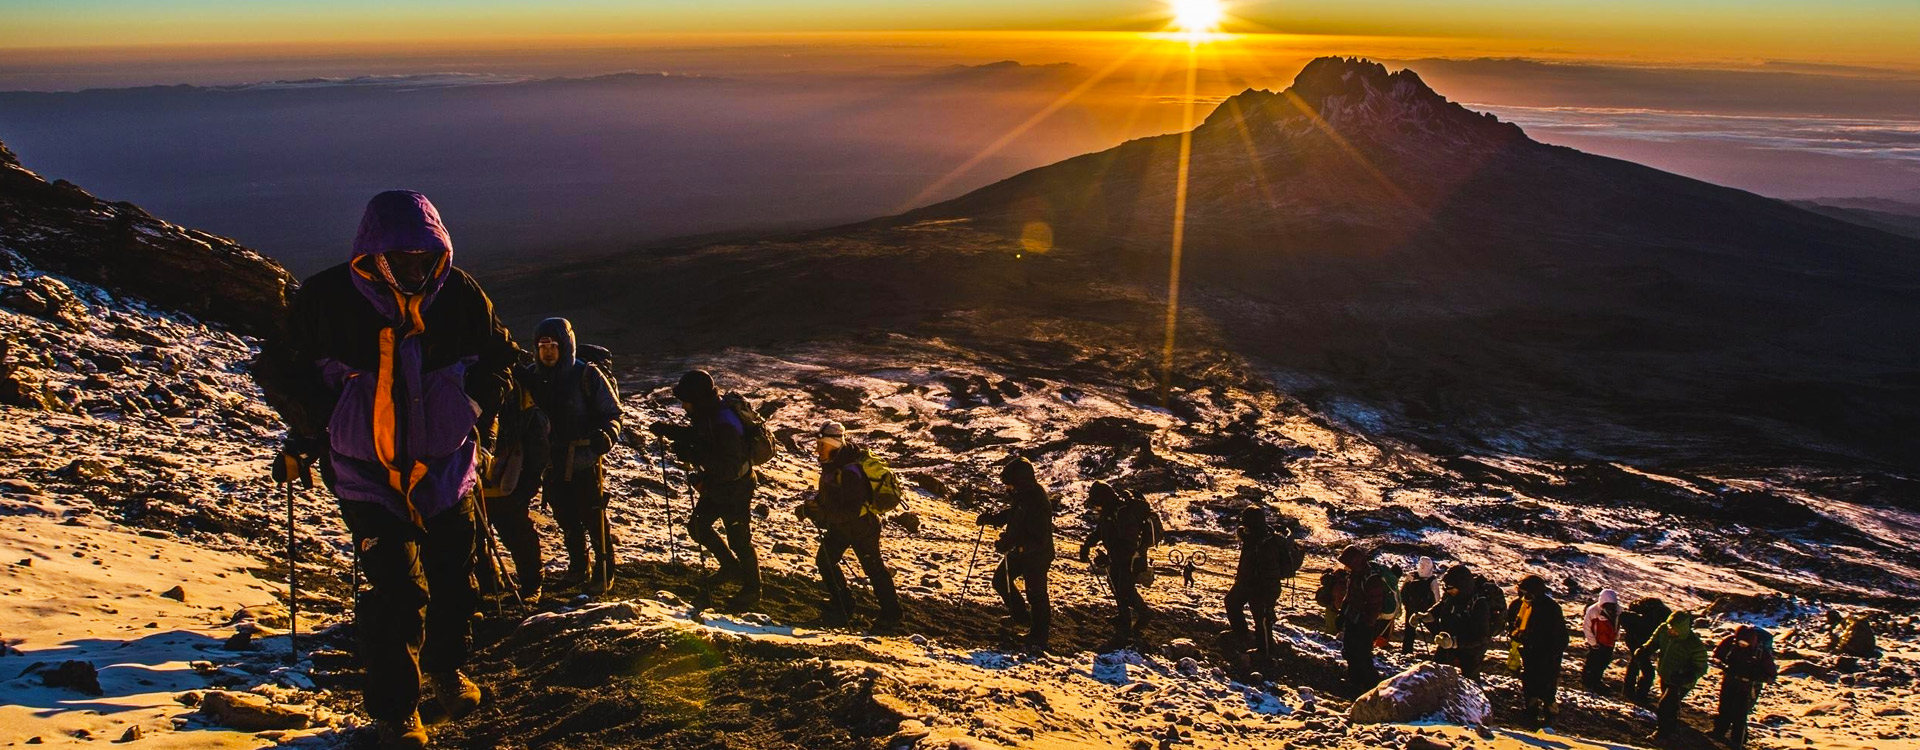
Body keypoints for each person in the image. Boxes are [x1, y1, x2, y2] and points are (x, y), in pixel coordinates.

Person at [256, 190, 517, 750]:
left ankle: (446, 668)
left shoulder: (460, 294)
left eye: (426, 260)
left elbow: (499, 357)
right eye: (404, 260)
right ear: (375, 254)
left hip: (447, 467)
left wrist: (475, 406)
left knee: (453, 576)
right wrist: (316, 429)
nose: (416, 272)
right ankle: (398, 712)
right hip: (365, 474)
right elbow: (281, 369)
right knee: (397, 588)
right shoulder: (327, 299)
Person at [522, 317, 621, 594]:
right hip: (551, 461)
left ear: (565, 346)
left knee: (593, 518)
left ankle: (604, 572)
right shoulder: (532, 376)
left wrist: (607, 435)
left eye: (553, 346)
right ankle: (578, 567)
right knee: (566, 518)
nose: (548, 352)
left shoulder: (586, 375)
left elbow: (612, 413)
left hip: (584, 458)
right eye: (542, 346)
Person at [653, 369, 761, 608]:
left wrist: (693, 455)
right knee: (698, 527)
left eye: (686, 401)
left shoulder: (723, 422)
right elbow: (700, 435)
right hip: (720, 485)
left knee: (739, 540)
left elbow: (729, 467)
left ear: (698, 399)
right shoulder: (710, 413)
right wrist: (670, 431)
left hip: (736, 488)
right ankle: (730, 568)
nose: (684, 406)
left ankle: (753, 590)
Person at [802, 421, 902, 629]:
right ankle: (844, 604)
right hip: (845, 527)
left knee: (872, 569)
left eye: (822, 445)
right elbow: (833, 496)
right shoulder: (835, 463)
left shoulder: (850, 471)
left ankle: (889, 614)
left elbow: (852, 510)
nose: (817, 449)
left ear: (834, 445)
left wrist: (823, 515)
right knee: (827, 561)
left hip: (861, 528)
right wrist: (812, 507)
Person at [476, 364, 548, 602]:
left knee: (517, 536)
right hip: (480, 480)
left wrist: (527, 486)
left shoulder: (522, 402)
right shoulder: (515, 395)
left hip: (506, 480)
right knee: (476, 538)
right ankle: (490, 584)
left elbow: (537, 449)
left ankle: (530, 584)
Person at [979, 457, 1055, 654]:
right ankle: (1021, 617)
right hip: (1019, 551)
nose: (1008, 488)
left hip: (1036, 555)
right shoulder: (1024, 495)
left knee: (1036, 595)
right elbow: (1014, 514)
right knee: (1000, 580)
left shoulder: (1037, 500)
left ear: (1020, 481)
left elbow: (1040, 538)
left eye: (1010, 483)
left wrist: (1018, 546)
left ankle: (1039, 637)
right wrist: (994, 519)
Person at [1079, 482, 1156, 651]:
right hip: (1118, 558)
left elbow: (1129, 544)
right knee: (1115, 584)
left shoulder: (1123, 513)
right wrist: (1087, 545)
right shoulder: (1109, 512)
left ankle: (1141, 616)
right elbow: (1100, 532)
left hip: (1132, 559)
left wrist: (1109, 558)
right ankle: (1124, 617)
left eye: (1097, 503)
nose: (1096, 507)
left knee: (1124, 589)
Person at [1223, 506, 1289, 661]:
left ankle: (1265, 651)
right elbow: (1243, 534)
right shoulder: (1252, 537)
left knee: (1262, 619)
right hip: (1246, 583)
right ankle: (1241, 634)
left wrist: (1268, 595)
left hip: (1262, 588)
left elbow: (1271, 573)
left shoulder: (1267, 544)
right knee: (1231, 602)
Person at [1510, 574, 1570, 728]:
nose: (1523, 596)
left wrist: (1552, 654)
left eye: (1526, 593)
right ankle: (1531, 711)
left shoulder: (1551, 609)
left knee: (1547, 686)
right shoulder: (1518, 605)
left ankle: (1550, 713)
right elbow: (1512, 624)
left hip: (1547, 655)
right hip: (1528, 651)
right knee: (1528, 683)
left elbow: (1560, 637)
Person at [1642, 611, 1710, 742]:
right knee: (1670, 706)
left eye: (1674, 628)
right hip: (1666, 675)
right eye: (1670, 626)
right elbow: (1653, 642)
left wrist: (1687, 677)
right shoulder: (1664, 629)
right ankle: (1671, 730)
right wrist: (1645, 650)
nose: (1670, 630)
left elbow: (1701, 667)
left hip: (1681, 682)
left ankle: (1661, 734)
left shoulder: (1694, 645)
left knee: (1665, 705)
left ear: (1682, 629)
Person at [1421, 564, 1493, 682]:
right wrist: (1429, 615)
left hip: (1471, 649)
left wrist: (1455, 642)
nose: (1447, 590)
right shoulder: (1452, 595)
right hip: (1448, 641)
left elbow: (1481, 636)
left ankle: (1472, 693)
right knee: (1435, 670)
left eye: (1450, 587)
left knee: (1470, 680)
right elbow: (1442, 605)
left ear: (1462, 586)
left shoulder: (1479, 603)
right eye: (1445, 587)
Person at [1335, 544, 1391, 694]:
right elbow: (1349, 597)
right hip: (1353, 620)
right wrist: (1342, 615)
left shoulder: (1371, 579)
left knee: (1362, 656)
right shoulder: (1355, 576)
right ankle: (1354, 683)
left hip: (1364, 624)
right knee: (1350, 652)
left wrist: (1367, 624)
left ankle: (1372, 688)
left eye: (1347, 563)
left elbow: (1375, 605)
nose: (1345, 567)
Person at [1711, 624, 1776, 747]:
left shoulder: (1761, 652)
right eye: (1740, 642)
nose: (1741, 645)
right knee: (1724, 707)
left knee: (1740, 714)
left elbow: (1771, 676)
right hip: (1730, 680)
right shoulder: (1730, 642)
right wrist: (1723, 665)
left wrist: (1756, 676)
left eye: (1745, 643)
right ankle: (1719, 732)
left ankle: (1737, 741)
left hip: (1748, 686)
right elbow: (1716, 656)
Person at [1622, 596, 1675, 703]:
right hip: (1638, 642)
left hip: (1638, 642)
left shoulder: (1652, 619)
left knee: (1636, 665)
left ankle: (1630, 691)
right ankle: (1638, 695)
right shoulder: (1649, 621)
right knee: (1648, 671)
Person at [1581, 589, 1621, 692]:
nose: (1610, 606)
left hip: (1609, 641)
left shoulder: (1618, 611)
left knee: (1604, 662)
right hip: (1597, 642)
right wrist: (1593, 642)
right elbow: (1586, 627)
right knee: (1592, 661)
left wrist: (1616, 637)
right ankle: (1587, 681)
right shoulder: (1593, 611)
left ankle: (1597, 680)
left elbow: (1617, 625)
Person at [1399, 556, 1440, 654]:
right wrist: (1435, 611)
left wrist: (1406, 605)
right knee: (1437, 631)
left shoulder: (1411, 576)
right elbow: (1437, 597)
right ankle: (1444, 650)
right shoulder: (1432, 580)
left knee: (1409, 631)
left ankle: (1406, 652)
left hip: (1411, 609)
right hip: (1427, 611)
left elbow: (1402, 592)